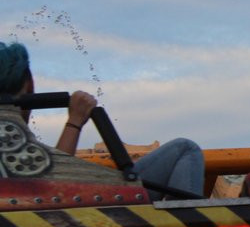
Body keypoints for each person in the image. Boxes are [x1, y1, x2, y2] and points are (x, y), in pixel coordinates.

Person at [0, 41, 205, 199]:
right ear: (29, 85)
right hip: (65, 218)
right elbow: (55, 184)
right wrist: (75, 122)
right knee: (184, 149)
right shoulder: (19, 148)